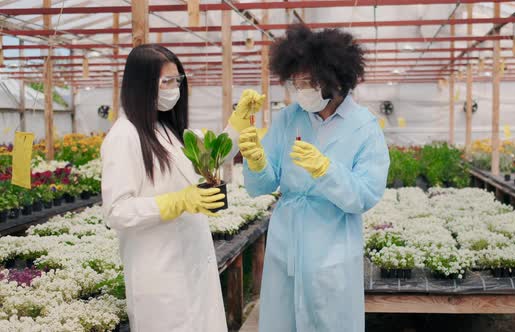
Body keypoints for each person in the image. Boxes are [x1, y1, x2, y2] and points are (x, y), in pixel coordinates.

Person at [101, 44, 264, 332]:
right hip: (159, 273)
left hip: (192, 263)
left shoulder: (167, 131)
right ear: (141, 84)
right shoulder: (124, 135)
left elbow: (214, 155)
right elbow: (116, 211)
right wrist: (176, 202)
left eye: (177, 80)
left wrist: (239, 121)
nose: (174, 88)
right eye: (166, 82)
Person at [239, 25, 390, 331]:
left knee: (329, 319)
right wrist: (256, 161)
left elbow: (365, 194)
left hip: (332, 246)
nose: (300, 90)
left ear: (334, 79)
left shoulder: (364, 126)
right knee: (282, 318)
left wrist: (326, 170)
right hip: (286, 239)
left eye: (308, 82)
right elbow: (265, 185)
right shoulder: (288, 118)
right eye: (296, 83)